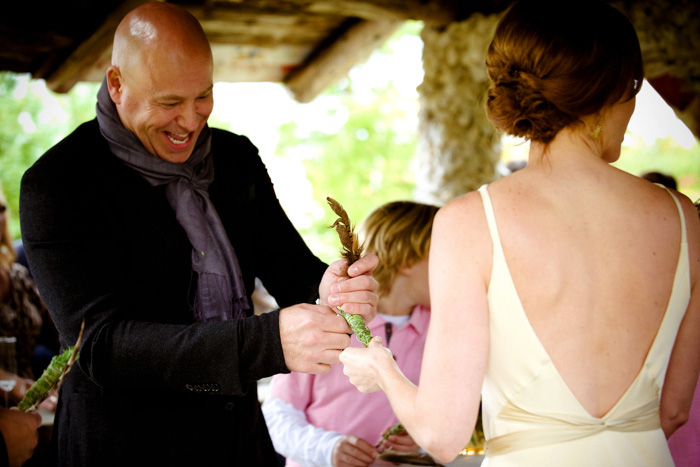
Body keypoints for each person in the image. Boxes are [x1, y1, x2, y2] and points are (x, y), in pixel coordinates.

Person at [340, 1, 700, 465]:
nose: (633, 107)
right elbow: (673, 411)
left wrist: (382, 369)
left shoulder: (469, 222)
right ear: (608, 90)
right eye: (634, 89)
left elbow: (444, 436)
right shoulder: (685, 220)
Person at [18, 3, 378, 466]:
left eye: (203, 97)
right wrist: (266, 342)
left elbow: (291, 271)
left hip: (238, 443)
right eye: (169, 103)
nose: (190, 122)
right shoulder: (59, 183)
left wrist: (333, 287)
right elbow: (103, 348)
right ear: (116, 84)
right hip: (126, 451)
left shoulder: (235, 158)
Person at [263, 201, 437, 467]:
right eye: (444, 254)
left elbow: (447, 412)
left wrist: (425, 440)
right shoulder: (325, 321)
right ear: (408, 259)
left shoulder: (441, 329)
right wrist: (328, 449)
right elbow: (277, 414)